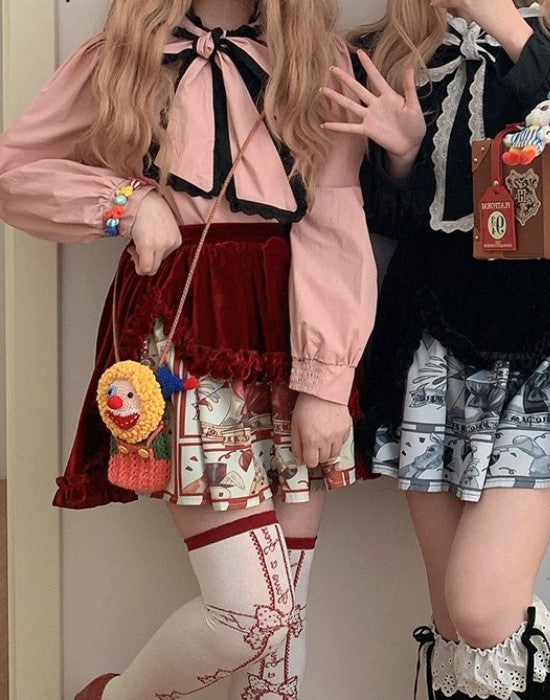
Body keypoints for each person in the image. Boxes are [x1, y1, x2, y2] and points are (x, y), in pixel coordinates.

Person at [321, 0, 550, 697]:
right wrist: (402, 156)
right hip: (433, 335)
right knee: (453, 625)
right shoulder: (389, 47)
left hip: (549, 328)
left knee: (482, 608)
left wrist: (509, 28)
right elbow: (383, 218)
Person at [0, 0, 376, 697]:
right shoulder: (120, 57)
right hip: (181, 338)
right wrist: (126, 202)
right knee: (254, 615)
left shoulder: (318, 63)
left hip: (292, 336)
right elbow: (14, 172)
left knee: (284, 623)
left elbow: (335, 218)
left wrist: (326, 381)